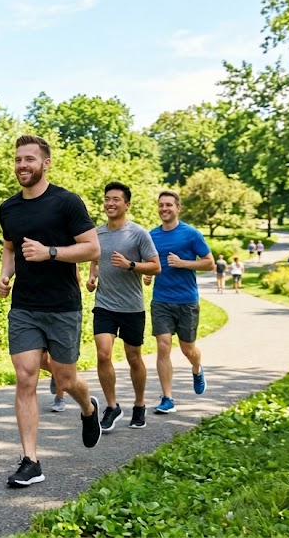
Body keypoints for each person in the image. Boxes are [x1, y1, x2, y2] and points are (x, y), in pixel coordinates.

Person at [0, 134, 102, 488]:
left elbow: (92, 248)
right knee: (25, 377)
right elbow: (10, 248)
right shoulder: (8, 208)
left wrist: (51, 253)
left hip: (62, 306)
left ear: (46, 163)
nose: (22, 165)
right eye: (18, 159)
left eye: (29, 159)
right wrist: (4, 275)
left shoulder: (67, 203)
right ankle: (30, 460)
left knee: (65, 378)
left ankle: (88, 409)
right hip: (24, 305)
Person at [85, 182, 160, 432]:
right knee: (103, 353)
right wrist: (92, 276)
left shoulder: (138, 233)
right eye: (107, 199)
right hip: (105, 304)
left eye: (116, 199)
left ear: (126, 204)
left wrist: (131, 265)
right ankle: (112, 405)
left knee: (133, 358)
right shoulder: (97, 234)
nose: (110, 203)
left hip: (132, 307)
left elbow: (155, 266)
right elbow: (95, 259)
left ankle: (139, 404)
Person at [145, 190, 215, 415]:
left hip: (187, 301)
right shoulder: (151, 236)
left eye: (168, 205)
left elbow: (209, 264)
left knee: (188, 348)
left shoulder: (191, 234)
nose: (164, 209)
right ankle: (167, 397)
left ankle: (196, 368)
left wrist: (183, 263)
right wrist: (147, 274)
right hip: (162, 300)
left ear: (178, 208)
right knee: (163, 345)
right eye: (161, 205)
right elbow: (149, 263)